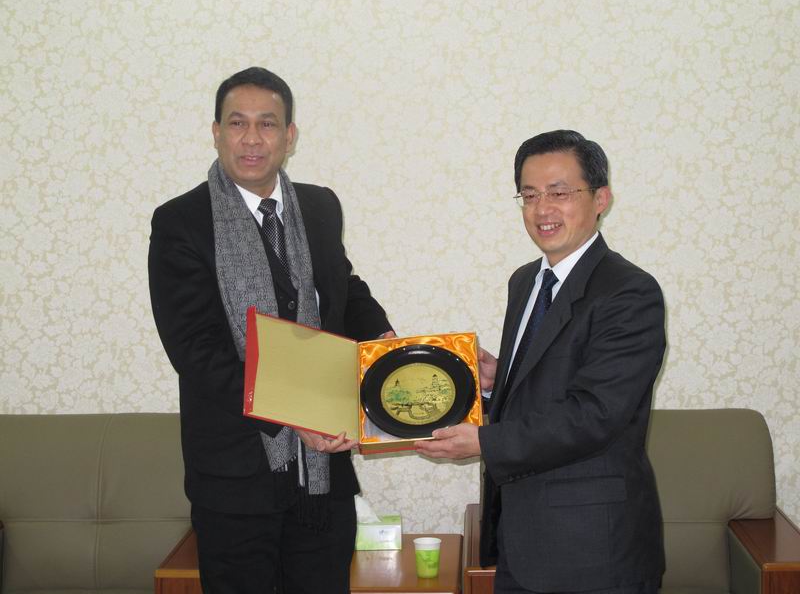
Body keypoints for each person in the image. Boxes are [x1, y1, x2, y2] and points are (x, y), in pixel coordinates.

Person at [148, 67, 393, 594]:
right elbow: (196, 351)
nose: (252, 138)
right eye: (238, 123)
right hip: (235, 480)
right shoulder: (181, 222)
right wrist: (292, 412)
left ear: (289, 136)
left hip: (323, 471)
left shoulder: (320, 206)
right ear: (216, 132)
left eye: (267, 123)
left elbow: (344, 289)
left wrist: (385, 346)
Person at [416, 130, 665, 593]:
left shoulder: (629, 292)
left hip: (594, 550)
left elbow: (595, 414)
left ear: (601, 199)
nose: (542, 209)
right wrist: (498, 381)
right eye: (529, 195)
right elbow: (547, 381)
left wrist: (484, 442)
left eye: (559, 193)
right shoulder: (525, 281)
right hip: (520, 539)